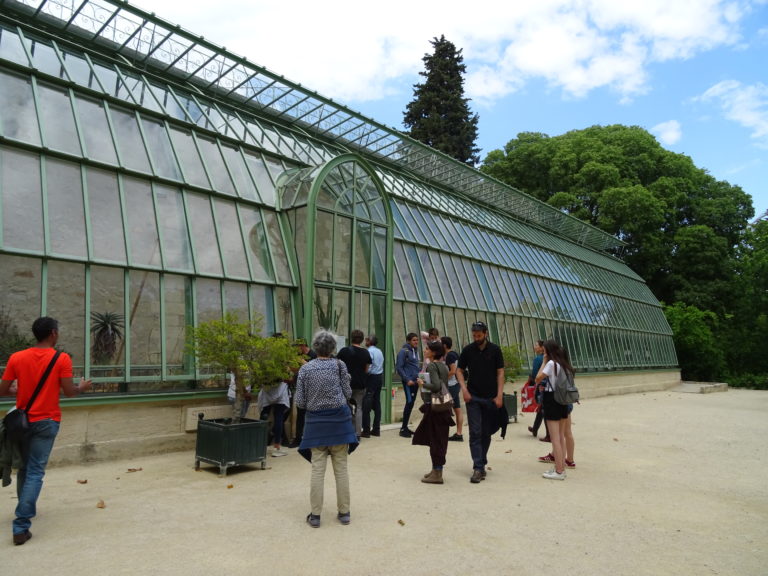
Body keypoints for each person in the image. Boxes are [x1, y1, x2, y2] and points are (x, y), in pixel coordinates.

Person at [0, 316, 93, 545]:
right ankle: (21, 524)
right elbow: (69, 392)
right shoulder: (62, 359)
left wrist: (17, 391)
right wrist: (82, 387)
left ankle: (24, 507)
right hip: (47, 421)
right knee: (35, 471)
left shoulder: (17, 358)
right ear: (53, 333)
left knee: (24, 468)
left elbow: (2, 390)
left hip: (21, 422)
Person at [295, 330, 358, 528]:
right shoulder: (339, 365)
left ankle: (315, 515)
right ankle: (344, 512)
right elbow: (348, 393)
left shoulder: (306, 369)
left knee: (317, 470)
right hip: (339, 423)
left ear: (315, 347)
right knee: (341, 469)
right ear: (333, 348)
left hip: (316, 425)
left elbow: (300, 402)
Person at [456, 321, 504, 484]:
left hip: (490, 397)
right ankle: (478, 467)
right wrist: (464, 389)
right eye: (474, 335)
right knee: (475, 432)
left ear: (485, 333)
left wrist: (499, 395)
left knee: (486, 432)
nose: (476, 338)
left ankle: (481, 462)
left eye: (479, 335)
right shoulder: (468, 350)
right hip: (473, 397)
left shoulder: (495, 350)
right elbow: (459, 370)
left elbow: (500, 373)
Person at [412, 341, 454, 484]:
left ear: (434, 352)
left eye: (427, 349)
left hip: (435, 408)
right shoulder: (443, 366)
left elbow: (436, 386)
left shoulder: (431, 366)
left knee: (435, 439)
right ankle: (436, 469)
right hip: (443, 407)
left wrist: (422, 384)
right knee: (439, 438)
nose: (425, 351)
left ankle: (437, 472)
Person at [535, 339, 574, 480]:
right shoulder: (563, 364)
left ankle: (559, 471)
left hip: (552, 401)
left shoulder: (551, 364)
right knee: (561, 437)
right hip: (563, 401)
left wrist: (544, 361)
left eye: (545, 349)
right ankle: (561, 467)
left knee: (555, 438)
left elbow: (537, 378)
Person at [336, 330, 371, 438]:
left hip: (346, 384)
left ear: (351, 338)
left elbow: (337, 366)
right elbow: (366, 369)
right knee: (358, 408)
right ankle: (357, 433)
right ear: (362, 339)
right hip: (360, 384)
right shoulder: (366, 353)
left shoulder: (344, 351)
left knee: (345, 407)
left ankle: (346, 432)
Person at [287, 338, 316, 448]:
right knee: (300, 414)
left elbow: (314, 371)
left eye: (297, 347)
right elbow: (293, 369)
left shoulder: (313, 355)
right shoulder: (297, 355)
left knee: (312, 414)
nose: (296, 349)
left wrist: (303, 364)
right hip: (300, 388)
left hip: (311, 389)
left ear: (303, 345)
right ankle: (298, 438)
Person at [395, 333, 421, 438]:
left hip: (416, 382)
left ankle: (405, 427)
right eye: (414, 340)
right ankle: (403, 429)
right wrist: (407, 380)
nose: (416, 342)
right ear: (408, 341)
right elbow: (399, 367)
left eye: (417, 340)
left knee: (411, 404)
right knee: (409, 402)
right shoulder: (403, 352)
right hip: (408, 382)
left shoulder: (416, 351)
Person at [258, 379, 290, 457]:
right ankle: (276, 447)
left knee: (264, 417)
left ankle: (258, 445)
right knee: (279, 417)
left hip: (267, 389)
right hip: (280, 389)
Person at [441, 336, 464, 442]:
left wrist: (442, 379)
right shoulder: (454, 354)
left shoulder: (449, 355)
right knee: (457, 408)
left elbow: (453, 370)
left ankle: (443, 433)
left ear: (444, 345)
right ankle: (459, 433)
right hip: (456, 384)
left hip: (452, 385)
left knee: (444, 408)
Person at [361, 334, 384, 438]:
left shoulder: (369, 352)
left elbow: (368, 366)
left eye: (367, 339)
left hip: (371, 378)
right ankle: (376, 429)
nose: (365, 341)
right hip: (379, 377)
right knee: (377, 403)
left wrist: (364, 374)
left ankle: (366, 430)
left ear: (370, 341)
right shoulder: (379, 351)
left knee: (366, 404)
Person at [526, 340, 549, 440]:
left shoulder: (538, 359)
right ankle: (535, 428)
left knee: (543, 408)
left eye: (536, 345)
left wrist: (530, 381)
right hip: (549, 385)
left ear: (541, 348)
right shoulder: (549, 358)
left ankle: (549, 434)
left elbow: (535, 374)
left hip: (541, 386)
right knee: (542, 408)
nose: (534, 346)